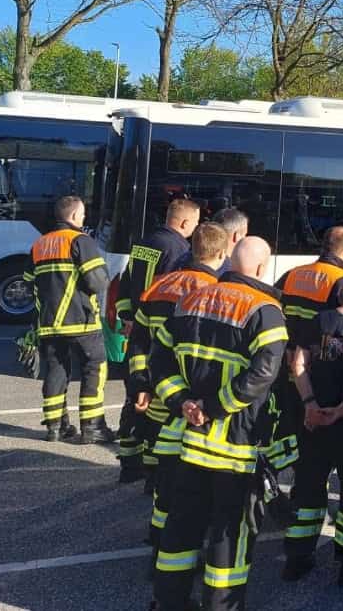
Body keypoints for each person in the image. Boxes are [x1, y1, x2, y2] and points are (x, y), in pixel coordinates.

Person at [149, 236, 288, 611]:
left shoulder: (188, 300)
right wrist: (212, 408)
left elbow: (157, 362)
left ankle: (167, 602)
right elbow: (264, 374)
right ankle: (221, 606)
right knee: (231, 536)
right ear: (261, 268)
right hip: (234, 449)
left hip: (187, 441)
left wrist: (183, 403)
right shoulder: (266, 309)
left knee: (180, 527)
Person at [131, 222, 230, 549]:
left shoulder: (160, 284)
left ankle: (157, 531)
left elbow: (139, 343)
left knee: (165, 471)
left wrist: (140, 384)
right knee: (186, 476)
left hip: (159, 393)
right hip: (188, 399)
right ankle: (182, 538)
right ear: (221, 252)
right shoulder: (214, 290)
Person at [286, 271, 343, 586]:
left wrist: (310, 405)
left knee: (309, 486)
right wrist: (342, 411)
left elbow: (298, 364)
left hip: (312, 422)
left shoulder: (316, 321)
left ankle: (297, 556)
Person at [278, 225, 343, 580]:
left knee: (308, 474)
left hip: (296, 386)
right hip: (337, 400)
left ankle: (298, 553)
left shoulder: (291, 276)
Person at [117, 197, 202, 478]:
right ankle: (153, 467)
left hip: (139, 326)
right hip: (158, 331)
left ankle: (129, 461)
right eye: (196, 223)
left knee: (135, 395)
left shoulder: (144, 242)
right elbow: (171, 293)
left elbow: (126, 281)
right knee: (156, 402)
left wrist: (128, 318)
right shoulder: (178, 249)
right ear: (185, 222)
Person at [28, 195, 112, 444]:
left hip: (49, 323)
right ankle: (92, 427)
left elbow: (28, 281)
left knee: (55, 370)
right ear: (75, 216)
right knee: (94, 367)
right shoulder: (80, 241)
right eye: (83, 214)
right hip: (81, 321)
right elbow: (97, 282)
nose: (84, 218)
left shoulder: (39, 244)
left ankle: (55, 427)